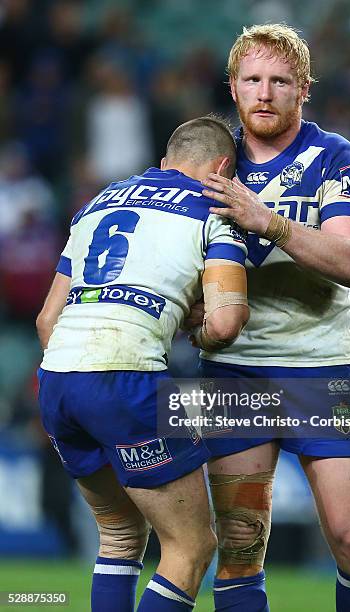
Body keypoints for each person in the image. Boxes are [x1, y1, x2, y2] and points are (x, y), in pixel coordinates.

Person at [194, 24, 350, 612]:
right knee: (240, 545)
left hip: (320, 369)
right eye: (252, 79)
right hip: (234, 371)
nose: (265, 92)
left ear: (303, 88)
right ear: (233, 87)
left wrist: (270, 221)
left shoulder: (336, 158)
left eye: (280, 81)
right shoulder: (210, 163)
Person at [36, 116, 249, 612]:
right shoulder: (215, 211)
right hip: (126, 379)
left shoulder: (96, 204)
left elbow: (48, 318)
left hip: (59, 382)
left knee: (119, 536)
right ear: (223, 168)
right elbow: (225, 322)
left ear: (163, 164)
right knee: (192, 547)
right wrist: (185, 322)